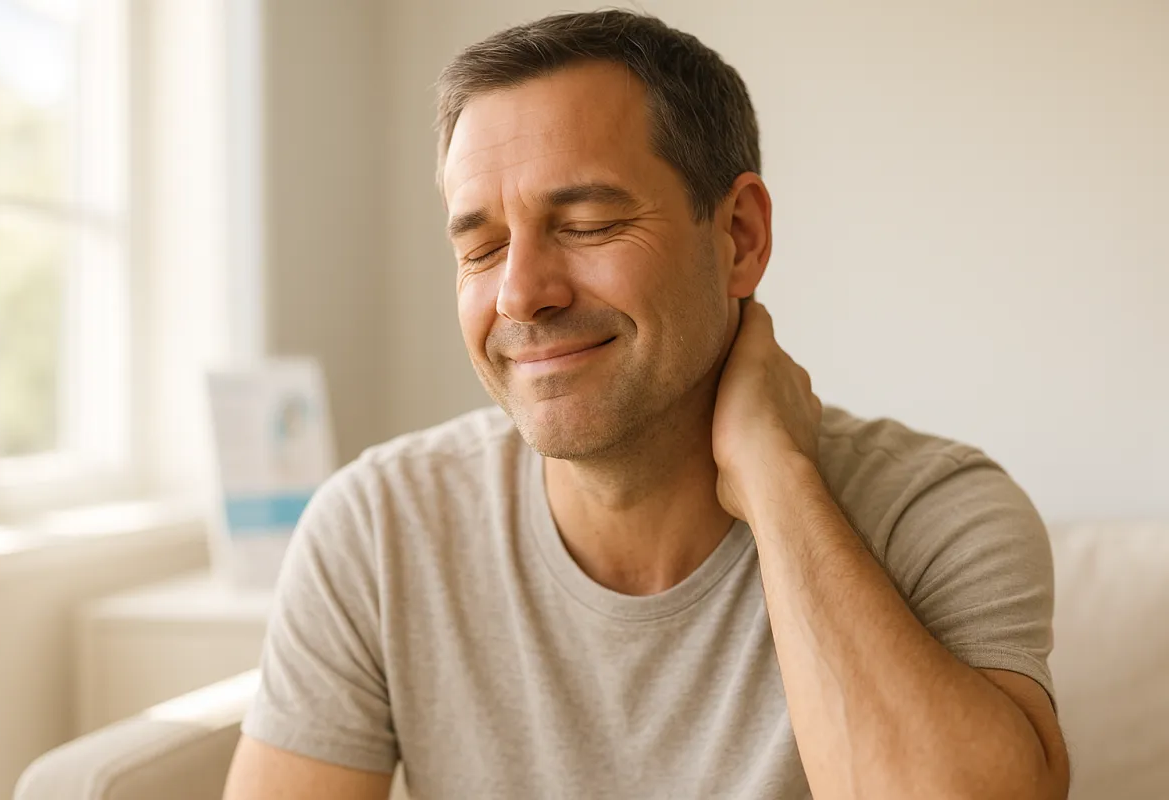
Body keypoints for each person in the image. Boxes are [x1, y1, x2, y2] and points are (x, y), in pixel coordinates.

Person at [224, 10, 1069, 799]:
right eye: (481, 246)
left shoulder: (939, 513)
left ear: (739, 235)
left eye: (587, 224)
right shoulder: (378, 529)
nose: (520, 294)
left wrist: (777, 484)